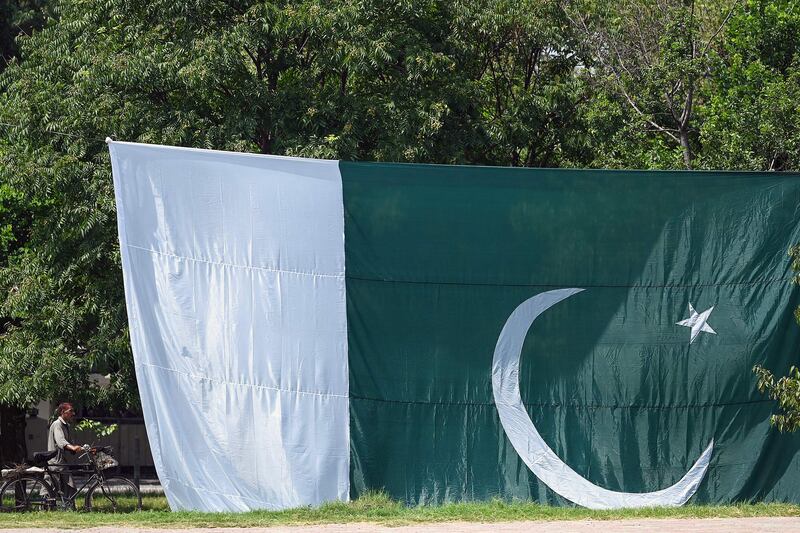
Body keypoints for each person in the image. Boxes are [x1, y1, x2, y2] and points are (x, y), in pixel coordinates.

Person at [47, 402, 86, 502]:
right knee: (59, 487)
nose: (73, 413)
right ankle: (52, 508)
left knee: (65, 487)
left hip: (61, 462)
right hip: (56, 462)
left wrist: (81, 448)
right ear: (62, 412)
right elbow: (61, 442)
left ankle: (66, 506)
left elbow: (69, 443)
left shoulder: (65, 425)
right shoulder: (57, 424)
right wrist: (72, 448)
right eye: (70, 411)